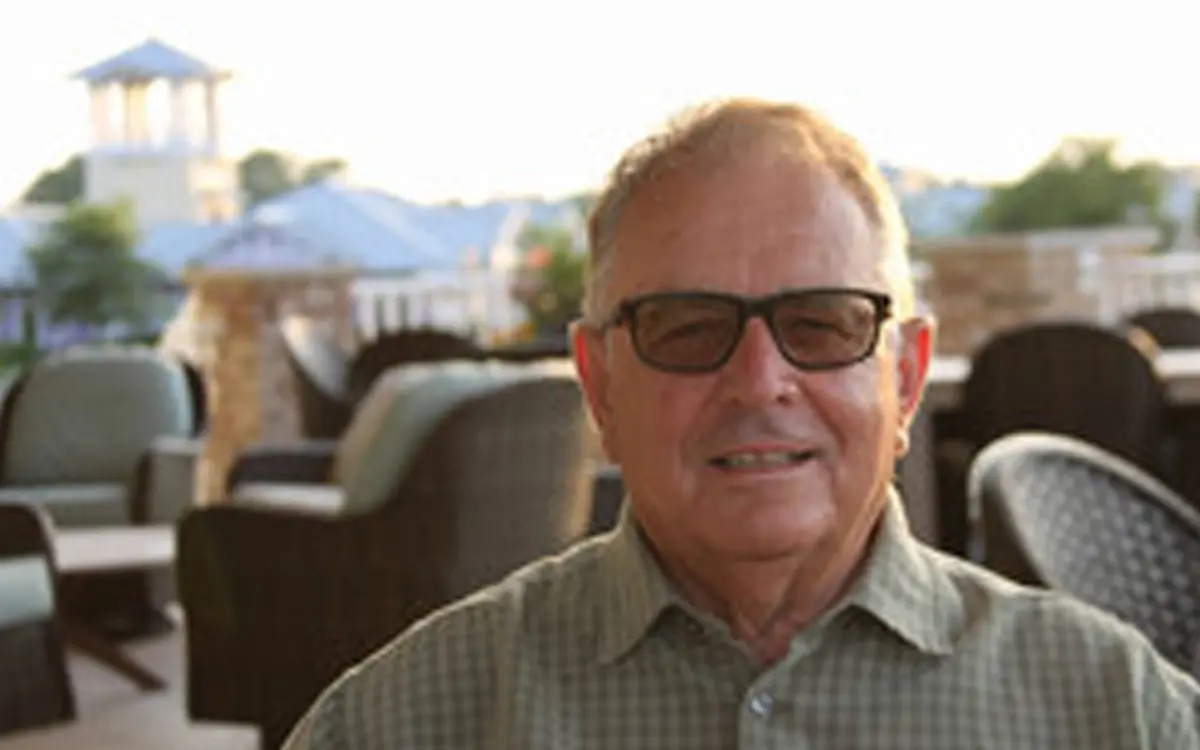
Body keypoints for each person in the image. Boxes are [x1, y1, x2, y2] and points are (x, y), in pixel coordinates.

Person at [282, 98, 1200, 748]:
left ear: (906, 377)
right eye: (687, 328)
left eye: (823, 323)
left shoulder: (1111, 710)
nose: (760, 381)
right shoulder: (413, 721)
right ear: (600, 385)